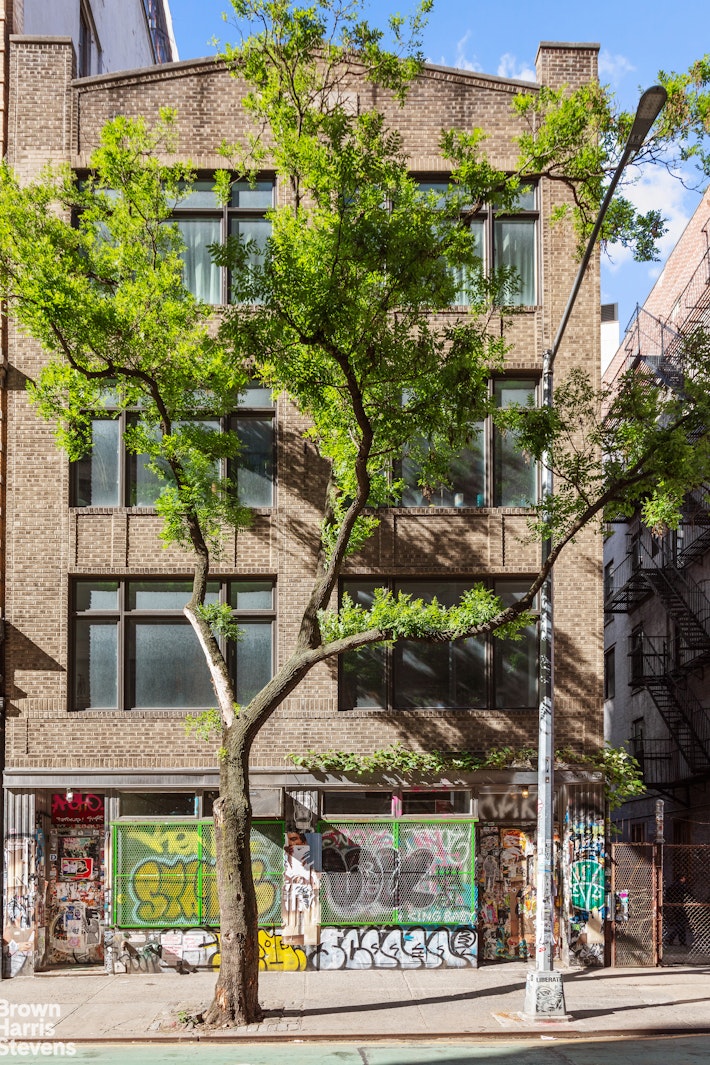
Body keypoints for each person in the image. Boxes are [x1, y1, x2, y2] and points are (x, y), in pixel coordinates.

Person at [665, 873, 692, 947]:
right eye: (684, 878)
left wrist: (672, 902)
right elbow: (689, 894)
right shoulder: (682, 886)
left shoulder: (672, 886)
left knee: (680, 923)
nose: (685, 879)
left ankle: (681, 941)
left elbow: (667, 895)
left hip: (675, 906)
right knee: (681, 924)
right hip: (681, 906)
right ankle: (672, 938)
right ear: (682, 878)